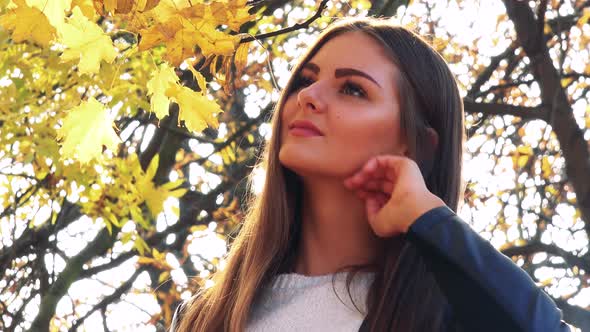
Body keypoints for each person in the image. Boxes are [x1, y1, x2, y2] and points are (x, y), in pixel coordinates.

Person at [170, 17, 574, 332]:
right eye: (306, 80)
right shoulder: (204, 317)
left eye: (352, 89)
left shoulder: (445, 317)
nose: (308, 97)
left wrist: (429, 220)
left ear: (412, 146)